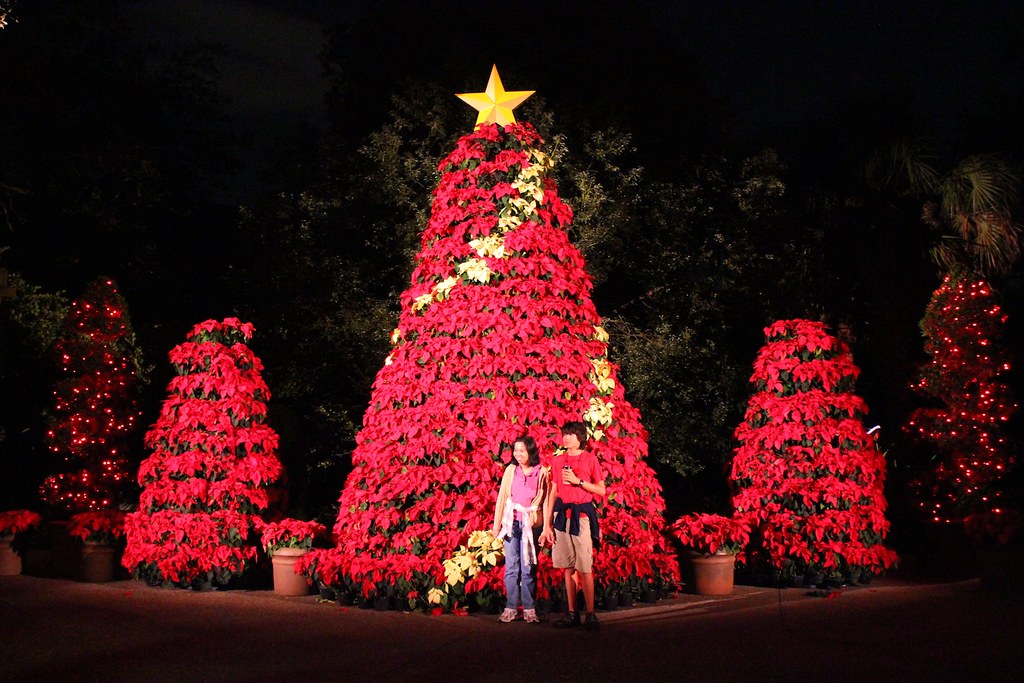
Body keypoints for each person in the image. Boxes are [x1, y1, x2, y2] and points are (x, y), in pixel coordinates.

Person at [539, 421, 606, 631]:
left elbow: (601, 490)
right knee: (567, 567)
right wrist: (547, 525)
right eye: (564, 434)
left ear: (580, 437)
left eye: (570, 435)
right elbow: (553, 492)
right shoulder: (558, 461)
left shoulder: (590, 459)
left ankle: (591, 614)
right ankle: (572, 613)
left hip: (582, 515)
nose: (566, 438)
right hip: (562, 516)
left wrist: (579, 482)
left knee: (584, 567)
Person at [491, 435, 550, 623]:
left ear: (531, 452)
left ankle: (529, 608)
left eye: (522, 450)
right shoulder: (510, 470)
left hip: (531, 524)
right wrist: (496, 526)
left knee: (528, 567)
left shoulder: (542, 472)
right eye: (515, 450)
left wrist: (547, 526)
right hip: (512, 522)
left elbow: (547, 501)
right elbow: (502, 498)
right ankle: (511, 607)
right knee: (511, 567)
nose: (518, 454)